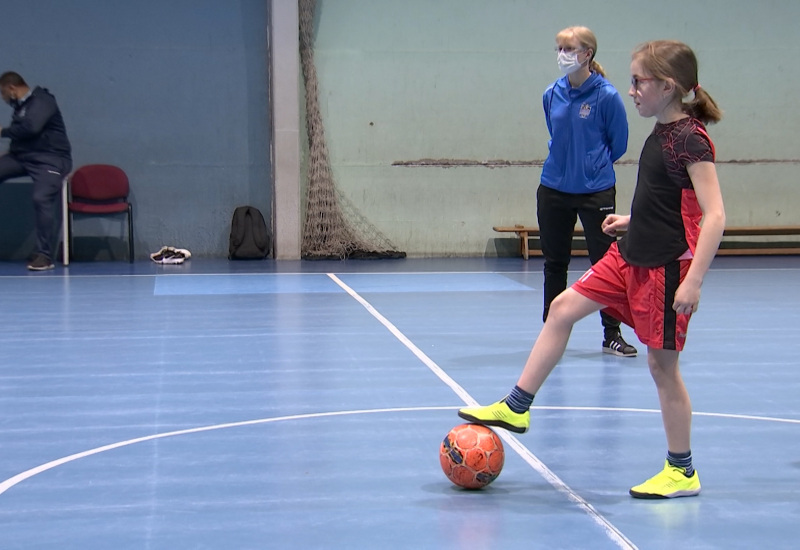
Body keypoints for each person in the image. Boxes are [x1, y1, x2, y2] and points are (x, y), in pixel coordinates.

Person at [459, 40, 725, 499]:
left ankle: (681, 470)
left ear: (668, 86)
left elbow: (714, 214)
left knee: (663, 369)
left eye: (640, 81)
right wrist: (632, 220)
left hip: (664, 269)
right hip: (629, 255)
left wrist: (694, 279)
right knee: (562, 308)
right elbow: (668, 202)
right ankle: (517, 406)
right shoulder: (661, 132)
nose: (632, 89)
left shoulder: (690, 139)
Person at [539, 26, 638, 358]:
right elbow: (556, 133)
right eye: (559, 48)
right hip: (553, 189)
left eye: (569, 49)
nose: (562, 55)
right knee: (555, 263)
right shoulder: (551, 93)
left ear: (588, 54)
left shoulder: (606, 96)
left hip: (595, 191)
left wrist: (591, 166)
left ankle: (611, 334)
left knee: (605, 263)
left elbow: (618, 142)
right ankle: (550, 332)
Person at [0, 71, 72, 271]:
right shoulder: (20, 107)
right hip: (23, 157)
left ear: (12, 88)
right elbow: (21, 138)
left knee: (41, 198)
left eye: (3, 93)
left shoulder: (43, 100)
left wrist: (2, 132)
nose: (3, 98)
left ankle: (44, 255)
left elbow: (31, 128)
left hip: (51, 159)